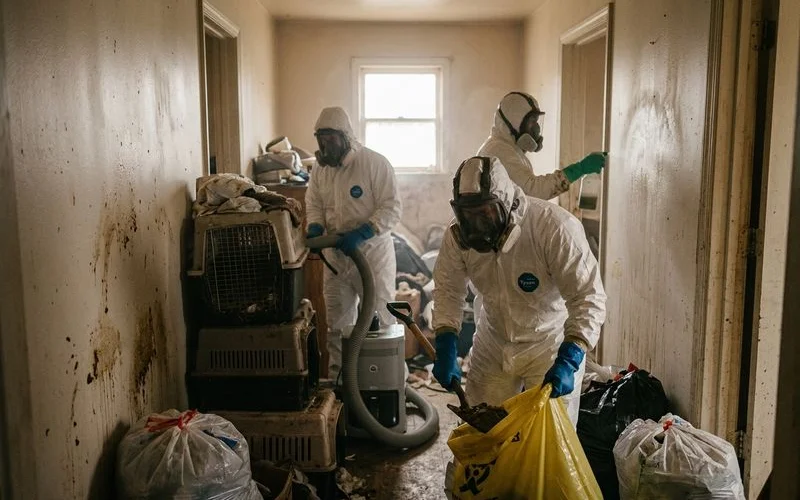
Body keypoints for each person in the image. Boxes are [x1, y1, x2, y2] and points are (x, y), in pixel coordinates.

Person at [431, 156, 606, 425]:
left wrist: (571, 357)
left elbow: (587, 297)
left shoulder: (553, 227)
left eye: (484, 213)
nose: (476, 226)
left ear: (506, 205)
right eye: (468, 215)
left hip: (549, 345)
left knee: (549, 441)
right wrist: (445, 341)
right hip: (493, 339)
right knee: (481, 434)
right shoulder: (457, 238)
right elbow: (447, 289)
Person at [305, 106, 402, 380]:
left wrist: (364, 232)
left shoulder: (374, 163)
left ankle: (388, 384)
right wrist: (315, 226)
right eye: (320, 138)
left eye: (331, 138)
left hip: (371, 256)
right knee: (337, 327)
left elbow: (392, 208)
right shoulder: (320, 171)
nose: (325, 145)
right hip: (336, 259)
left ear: (346, 137)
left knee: (381, 321)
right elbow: (314, 203)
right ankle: (342, 388)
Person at [478, 91, 607, 200]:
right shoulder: (499, 151)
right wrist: (579, 169)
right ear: (515, 124)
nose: (537, 128)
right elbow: (533, 191)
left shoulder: (508, 148)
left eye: (537, 121)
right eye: (532, 122)